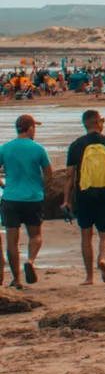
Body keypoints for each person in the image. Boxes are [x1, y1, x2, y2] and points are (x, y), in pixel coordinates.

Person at [67, 110, 105, 285]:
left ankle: (89, 277)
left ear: (85, 124)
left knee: (86, 235)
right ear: (99, 123)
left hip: (84, 193)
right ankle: (103, 259)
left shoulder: (77, 144)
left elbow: (70, 175)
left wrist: (66, 199)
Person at [2, 114, 50, 288]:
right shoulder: (38, 149)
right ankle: (30, 260)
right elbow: (48, 174)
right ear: (30, 129)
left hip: (10, 197)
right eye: (34, 127)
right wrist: (40, 188)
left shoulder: (5, 148)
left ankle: (16, 279)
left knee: (12, 241)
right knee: (35, 235)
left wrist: (4, 184)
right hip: (32, 198)